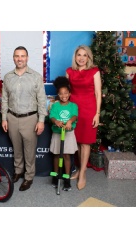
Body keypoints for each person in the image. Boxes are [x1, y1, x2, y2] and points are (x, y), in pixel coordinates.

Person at [1, 46, 47, 191]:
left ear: (27, 58)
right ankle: (18, 171)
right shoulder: (8, 77)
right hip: (12, 117)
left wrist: (41, 120)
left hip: (30, 118)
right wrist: (4, 118)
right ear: (13, 58)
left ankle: (28, 177)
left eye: (22, 56)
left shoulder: (36, 77)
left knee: (29, 150)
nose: (19, 59)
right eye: (17, 56)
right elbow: (4, 99)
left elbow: (41, 100)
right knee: (17, 149)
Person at [66, 45, 102, 190]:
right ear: (75, 57)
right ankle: (80, 168)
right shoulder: (69, 71)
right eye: (79, 55)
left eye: (84, 55)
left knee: (85, 142)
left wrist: (97, 114)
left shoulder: (94, 71)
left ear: (89, 57)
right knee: (78, 141)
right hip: (73, 110)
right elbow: (66, 92)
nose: (81, 58)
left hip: (89, 109)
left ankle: (83, 174)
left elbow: (98, 93)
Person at [49, 76, 78, 191]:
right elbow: (52, 116)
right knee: (56, 155)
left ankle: (67, 178)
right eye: (61, 94)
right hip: (57, 134)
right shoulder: (55, 105)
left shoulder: (73, 106)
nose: (63, 96)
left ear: (70, 93)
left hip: (68, 134)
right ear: (58, 95)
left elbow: (75, 115)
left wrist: (70, 121)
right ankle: (56, 176)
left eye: (66, 93)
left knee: (66, 155)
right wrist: (56, 121)